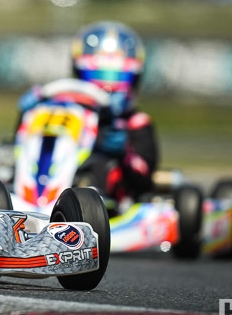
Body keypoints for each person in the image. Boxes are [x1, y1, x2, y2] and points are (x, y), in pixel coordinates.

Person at [16, 20, 158, 208]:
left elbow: (144, 179)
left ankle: (83, 205)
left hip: (103, 206)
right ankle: (23, 197)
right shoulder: (57, 108)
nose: (108, 86)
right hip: (46, 191)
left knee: (101, 164)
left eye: (118, 77)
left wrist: (124, 152)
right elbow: (19, 147)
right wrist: (28, 114)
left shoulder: (135, 122)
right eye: (97, 74)